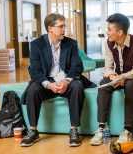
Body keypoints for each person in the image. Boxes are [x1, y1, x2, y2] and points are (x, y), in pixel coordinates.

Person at [20, 13, 85, 147]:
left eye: (64, 26)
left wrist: (66, 81)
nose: (64, 29)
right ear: (50, 28)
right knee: (33, 89)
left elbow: (77, 66)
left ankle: (74, 130)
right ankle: (33, 131)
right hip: (47, 81)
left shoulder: (71, 43)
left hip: (66, 80)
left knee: (77, 86)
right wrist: (49, 84)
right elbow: (35, 71)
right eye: (60, 26)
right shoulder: (37, 45)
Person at [90, 13, 133, 146]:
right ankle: (102, 128)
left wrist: (122, 77)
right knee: (104, 83)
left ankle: (127, 130)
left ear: (119, 32)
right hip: (119, 77)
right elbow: (107, 67)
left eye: (109, 29)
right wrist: (112, 76)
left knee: (130, 85)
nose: (106, 32)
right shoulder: (108, 43)